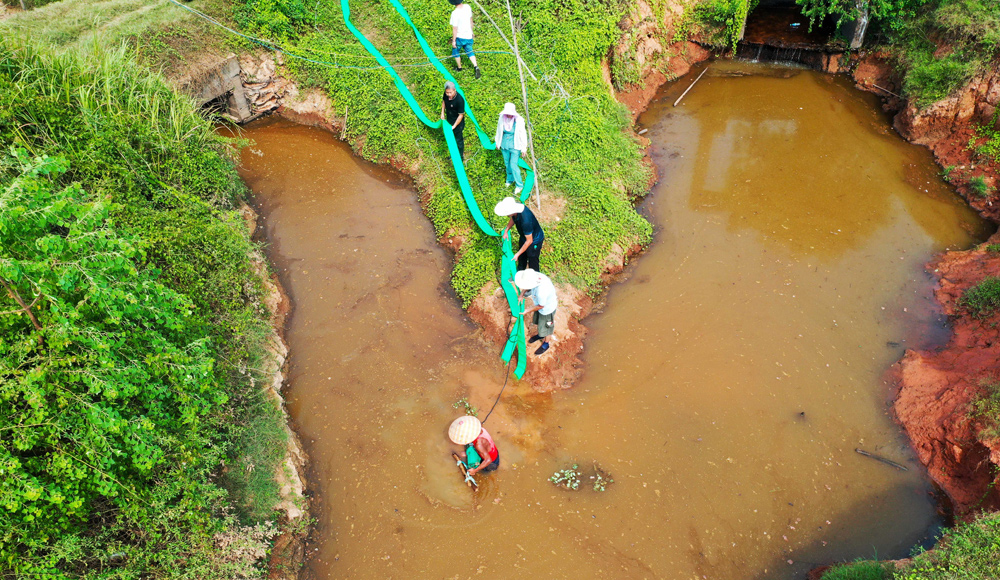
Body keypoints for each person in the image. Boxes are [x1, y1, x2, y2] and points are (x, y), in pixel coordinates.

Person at [514, 268, 557, 355]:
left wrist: (527, 310)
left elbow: (541, 306)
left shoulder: (541, 291)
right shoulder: (535, 276)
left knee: (547, 327)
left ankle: (546, 344)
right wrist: (521, 295)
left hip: (547, 310)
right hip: (539, 305)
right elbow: (526, 285)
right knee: (539, 322)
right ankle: (541, 335)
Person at [494, 196, 544, 272]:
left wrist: (517, 254)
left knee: (532, 260)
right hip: (524, 237)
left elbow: (529, 241)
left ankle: (535, 277)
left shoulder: (526, 221)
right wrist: (506, 230)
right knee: (521, 257)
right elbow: (513, 218)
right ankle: (520, 273)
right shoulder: (515, 211)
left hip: (534, 241)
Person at [494, 102, 527, 195]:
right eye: (507, 113)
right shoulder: (502, 118)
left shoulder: (519, 120)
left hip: (515, 146)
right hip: (504, 145)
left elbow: (523, 134)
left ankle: (519, 185)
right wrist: (497, 142)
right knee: (507, 164)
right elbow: (499, 131)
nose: (508, 115)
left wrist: (524, 148)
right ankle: (510, 179)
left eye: (510, 113)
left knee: (513, 165)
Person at [448, 0, 481, 79]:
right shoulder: (467, 7)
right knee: (470, 51)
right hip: (468, 35)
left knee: (456, 51)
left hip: (460, 37)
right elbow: (471, 20)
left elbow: (455, 28)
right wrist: (472, 32)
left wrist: (453, 41)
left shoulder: (455, 13)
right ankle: (476, 66)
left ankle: (459, 68)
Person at [441, 81, 466, 161]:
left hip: (458, 123)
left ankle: (460, 157)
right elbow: (444, 102)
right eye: (447, 92)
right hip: (449, 120)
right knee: (451, 139)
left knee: (458, 140)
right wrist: (442, 113)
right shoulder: (446, 94)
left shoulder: (459, 100)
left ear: (454, 90)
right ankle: (453, 154)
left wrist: (454, 126)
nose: (448, 94)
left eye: (450, 92)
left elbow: (461, 115)